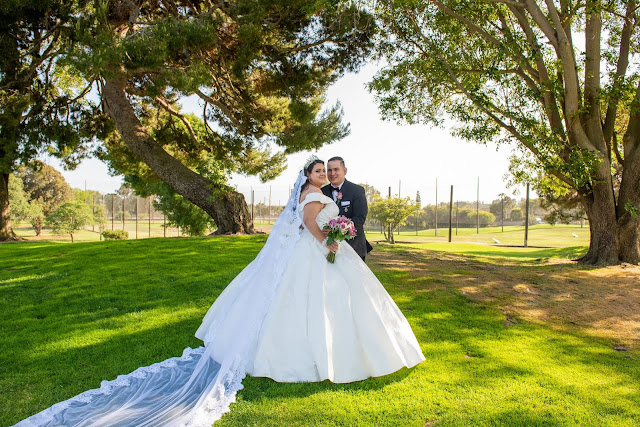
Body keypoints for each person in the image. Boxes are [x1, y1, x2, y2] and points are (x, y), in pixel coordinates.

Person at [16, 157, 424, 427]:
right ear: (310, 176)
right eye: (319, 171)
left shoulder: (318, 193)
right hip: (318, 252)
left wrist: (336, 235)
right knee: (310, 304)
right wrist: (330, 242)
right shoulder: (313, 196)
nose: (323, 175)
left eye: (327, 171)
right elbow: (314, 227)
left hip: (317, 252)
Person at [322, 156, 373, 261]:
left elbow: (360, 218)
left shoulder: (357, 190)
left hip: (354, 248)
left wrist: (336, 229)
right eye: (329, 170)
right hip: (328, 247)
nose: (332, 173)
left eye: (336, 169)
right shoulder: (321, 192)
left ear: (345, 171)